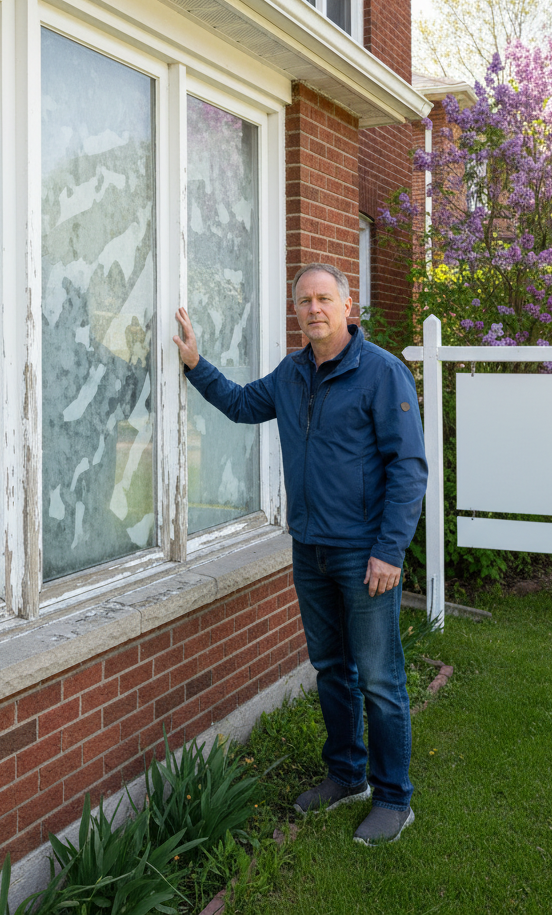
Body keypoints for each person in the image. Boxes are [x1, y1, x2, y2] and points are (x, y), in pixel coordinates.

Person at [173, 262, 427, 846]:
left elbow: (408, 469)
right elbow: (240, 405)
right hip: (309, 549)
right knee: (331, 669)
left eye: (323, 299)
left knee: (381, 679)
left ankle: (394, 798)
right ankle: (346, 775)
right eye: (304, 301)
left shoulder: (382, 374)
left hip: (365, 554)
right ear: (297, 311)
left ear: (347, 305)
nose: (313, 309)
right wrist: (194, 364)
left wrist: (389, 551)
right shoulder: (291, 376)